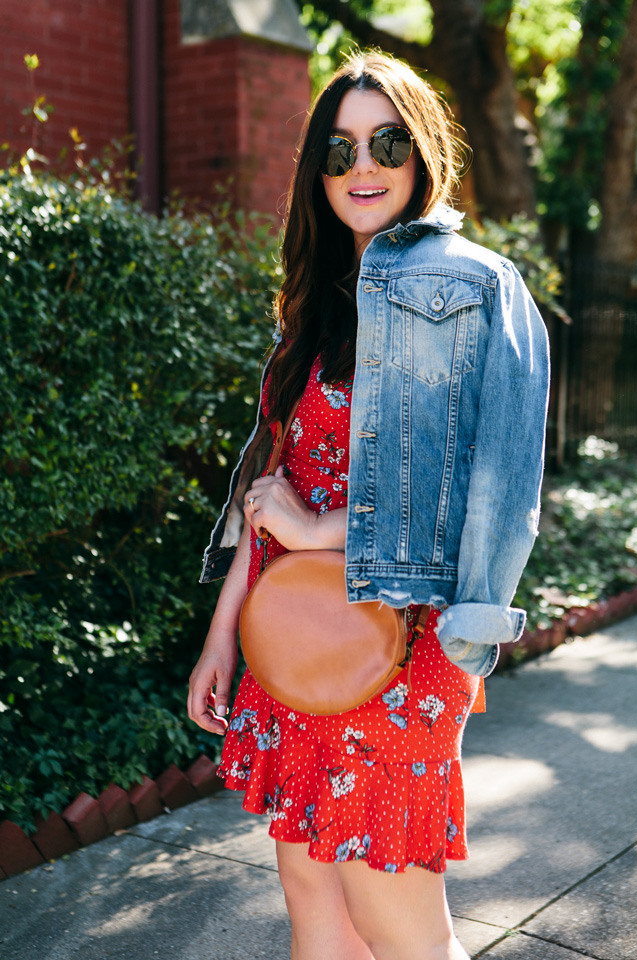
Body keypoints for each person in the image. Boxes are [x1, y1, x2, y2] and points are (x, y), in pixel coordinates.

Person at [188, 50, 549, 960]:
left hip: (402, 645)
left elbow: (485, 488)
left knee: (396, 918)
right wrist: (222, 633)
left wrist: (320, 530)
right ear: (316, 168)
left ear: (422, 153)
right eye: (339, 149)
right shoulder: (312, 309)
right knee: (313, 897)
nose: (364, 167)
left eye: (387, 142)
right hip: (297, 638)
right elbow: (272, 488)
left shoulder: (474, 287)